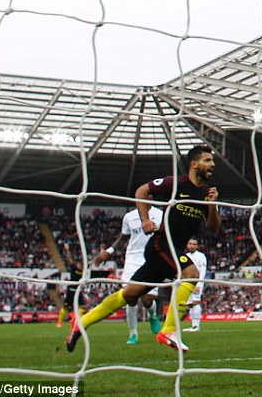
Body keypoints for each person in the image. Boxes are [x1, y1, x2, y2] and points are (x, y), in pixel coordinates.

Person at [67, 145, 221, 353]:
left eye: (212, 161)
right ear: (194, 164)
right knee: (190, 274)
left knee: (130, 294)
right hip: (161, 245)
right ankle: (169, 330)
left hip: (173, 249)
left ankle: (81, 323)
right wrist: (145, 219)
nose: (212, 164)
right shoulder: (176, 184)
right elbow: (142, 190)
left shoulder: (206, 194)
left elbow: (213, 228)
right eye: (207, 160)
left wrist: (212, 206)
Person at [90, 203, 164, 344]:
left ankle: (152, 315)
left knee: (147, 299)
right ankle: (133, 334)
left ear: (151, 197)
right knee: (130, 297)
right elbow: (123, 238)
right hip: (132, 259)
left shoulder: (160, 215)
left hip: (152, 258)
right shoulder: (129, 217)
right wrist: (108, 252)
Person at [56, 243, 86, 328]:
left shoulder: (84, 269)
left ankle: (76, 320)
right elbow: (69, 259)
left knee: (82, 307)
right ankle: (59, 322)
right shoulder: (74, 267)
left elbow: (92, 262)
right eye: (81, 265)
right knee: (65, 307)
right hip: (71, 290)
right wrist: (67, 250)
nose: (82, 267)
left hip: (78, 290)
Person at [182, 238, 208, 332]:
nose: (192, 246)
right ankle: (193, 325)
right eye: (190, 243)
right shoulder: (185, 256)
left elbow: (202, 271)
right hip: (187, 283)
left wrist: (199, 284)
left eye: (194, 244)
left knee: (195, 302)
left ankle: (197, 325)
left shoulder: (201, 256)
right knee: (190, 304)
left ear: (197, 246)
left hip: (197, 283)